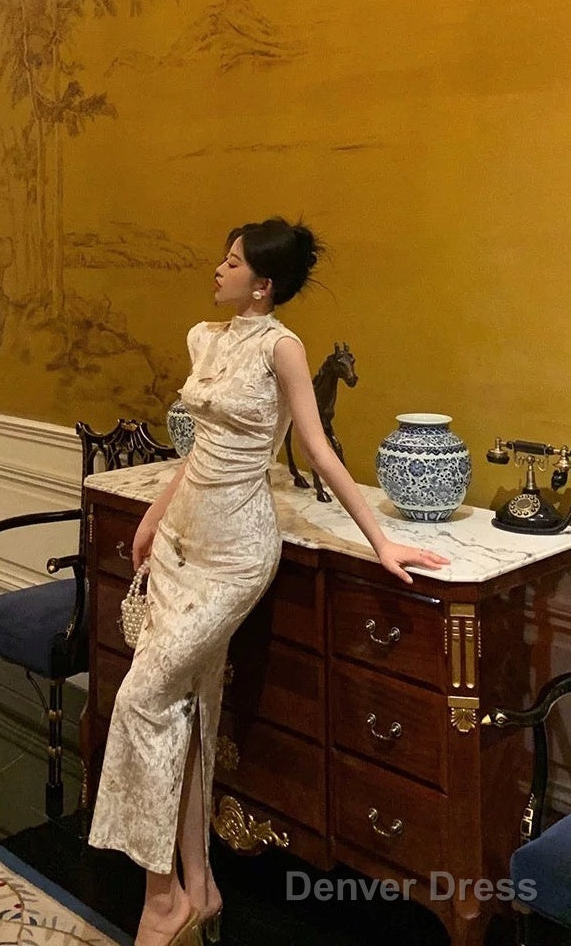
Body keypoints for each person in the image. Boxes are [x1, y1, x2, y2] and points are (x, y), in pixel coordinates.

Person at [89, 217, 449, 946]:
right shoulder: (205, 338)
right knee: (188, 704)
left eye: (231, 263)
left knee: (141, 697)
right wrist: (155, 514)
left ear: (262, 284)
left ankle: (161, 899)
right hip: (182, 539)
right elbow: (201, 449)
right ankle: (200, 888)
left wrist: (382, 540)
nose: (217, 271)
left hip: (235, 553)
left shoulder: (282, 348)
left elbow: (318, 448)